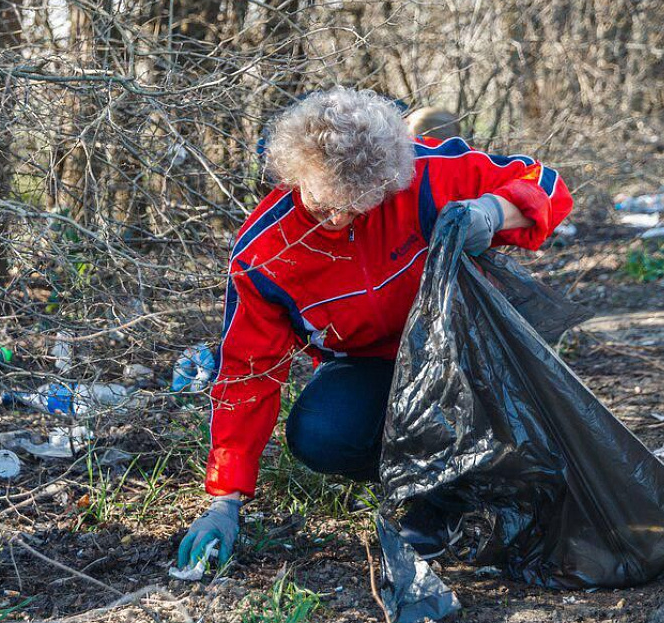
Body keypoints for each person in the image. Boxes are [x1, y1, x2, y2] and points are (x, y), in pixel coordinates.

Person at [176, 87, 572, 570]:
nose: (342, 217)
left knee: (516, 422)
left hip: (468, 347)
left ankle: (510, 471)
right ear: (295, 177)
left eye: (362, 202)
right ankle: (444, 493)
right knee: (321, 433)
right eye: (326, 205)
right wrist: (226, 498)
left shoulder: (424, 175)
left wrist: (491, 212)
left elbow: (545, 185)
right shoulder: (264, 254)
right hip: (371, 368)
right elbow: (246, 372)